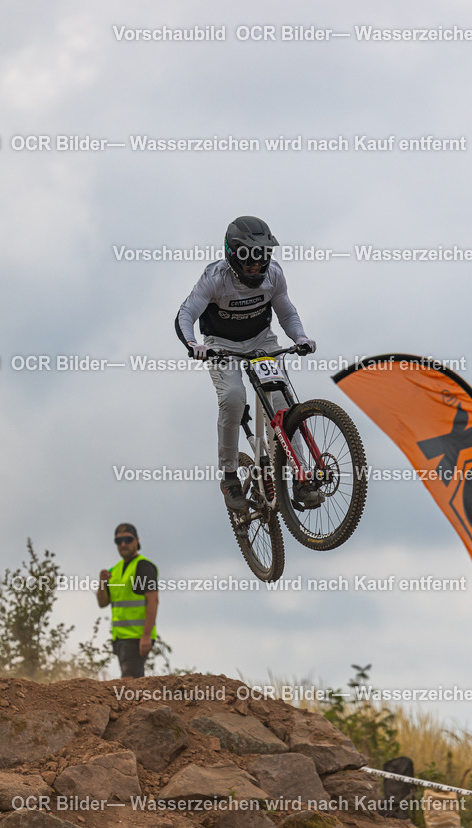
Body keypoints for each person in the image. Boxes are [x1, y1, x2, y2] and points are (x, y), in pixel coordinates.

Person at [175, 215, 318, 511]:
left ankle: (300, 480)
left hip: (262, 341)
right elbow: (186, 314)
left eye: (262, 257)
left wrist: (301, 337)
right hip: (221, 345)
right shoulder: (215, 278)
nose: (255, 265)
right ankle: (229, 476)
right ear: (232, 256)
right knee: (233, 397)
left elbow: (287, 314)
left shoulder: (274, 275)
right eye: (249, 259)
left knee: (283, 406)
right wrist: (192, 344)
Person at [96, 523, 159, 678]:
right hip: (119, 639)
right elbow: (103, 603)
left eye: (127, 539)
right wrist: (102, 583)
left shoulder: (143, 567)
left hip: (137, 638)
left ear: (137, 540)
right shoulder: (113, 571)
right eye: (119, 541)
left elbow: (153, 601)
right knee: (131, 683)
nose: (123, 544)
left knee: (130, 683)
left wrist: (146, 636)